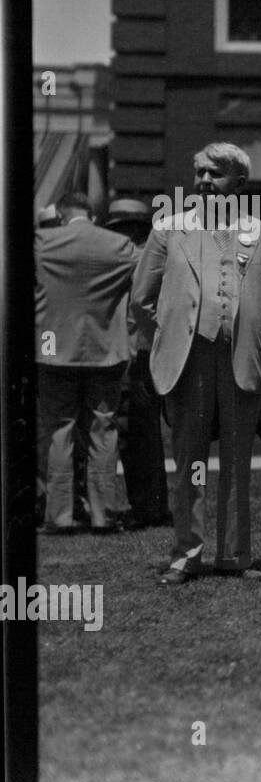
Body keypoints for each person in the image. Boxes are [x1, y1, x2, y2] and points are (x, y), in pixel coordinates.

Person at [131, 143, 261, 584]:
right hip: (188, 360)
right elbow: (141, 299)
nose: (202, 181)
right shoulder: (169, 229)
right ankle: (186, 556)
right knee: (190, 462)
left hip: (241, 358)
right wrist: (170, 334)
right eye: (198, 172)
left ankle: (236, 557)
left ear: (239, 182)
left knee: (237, 463)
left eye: (213, 173)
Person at [35, 191, 139, 533]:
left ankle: (60, 514)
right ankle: (103, 513)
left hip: (51, 345)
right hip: (106, 346)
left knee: (57, 429)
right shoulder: (120, 247)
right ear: (92, 216)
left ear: (61, 215)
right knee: (103, 430)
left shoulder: (41, 242)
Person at [105, 198, 172, 529]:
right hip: (151, 353)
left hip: (137, 354)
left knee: (136, 434)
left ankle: (146, 507)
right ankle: (154, 504)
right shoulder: (154, 255)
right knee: (147, 434)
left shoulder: (135, 257)